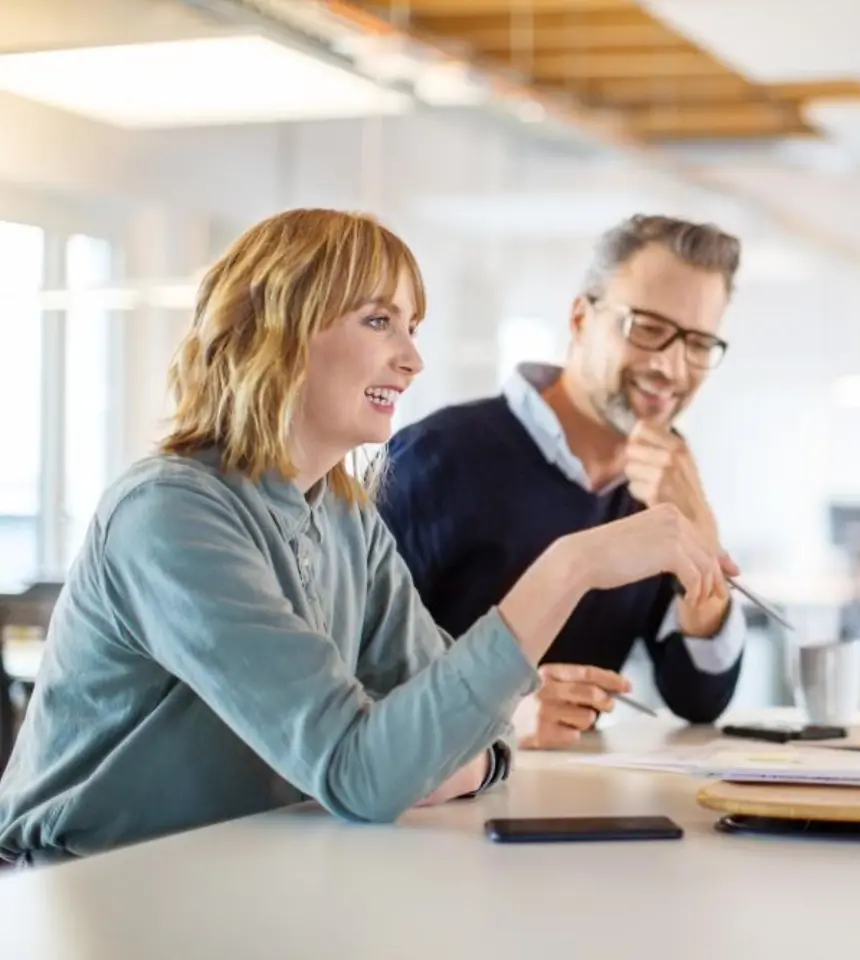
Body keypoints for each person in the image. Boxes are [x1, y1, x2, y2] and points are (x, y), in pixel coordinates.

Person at [0, 209, 732, 864]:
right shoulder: (171, 515)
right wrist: (571, 567)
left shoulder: (348, 515)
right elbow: (370, 774)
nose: (412, 359)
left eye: (412, 328)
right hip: (81, 890)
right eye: (379, 321)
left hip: (236, 869)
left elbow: (466, 726)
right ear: (275, 331)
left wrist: (445, 749)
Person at [377, 214, 745, 748]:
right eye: (647, 328)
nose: (672, 366)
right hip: (425, 811)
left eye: (698, 343)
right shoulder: (434, 457)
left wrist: (699, 531)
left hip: (571, 810)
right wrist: (497, 714)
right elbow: (355, 669)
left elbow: (697, 696)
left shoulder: (657, 491)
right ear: (580, 319)